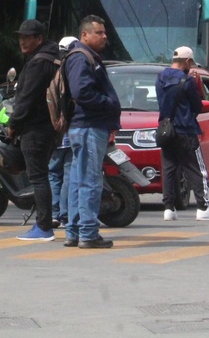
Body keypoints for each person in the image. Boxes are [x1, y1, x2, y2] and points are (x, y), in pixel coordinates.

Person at [63, 16, 121, 249]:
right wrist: (108, 102)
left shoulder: (85, 57)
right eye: (99, 32)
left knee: (79, 179)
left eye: (105, 32)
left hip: (86, 127)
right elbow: (82, 92)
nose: (104, 36)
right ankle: (87, 232)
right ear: (85, 35)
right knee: (89, 181)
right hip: (88, 127)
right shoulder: (81, 57)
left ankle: (75, 231)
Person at [7, 19, 60, 241]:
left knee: (38, 177)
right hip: (48, 127)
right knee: (42, 176)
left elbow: (27, 98)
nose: (22, 41)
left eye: (27, 37)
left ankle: (44, 226)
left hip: (36, 128)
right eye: (20, 37)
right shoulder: (51, 58)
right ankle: (44, 224)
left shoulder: (39, 62)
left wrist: (13, 124)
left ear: (39, 39)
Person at [156, 47, 209, 221]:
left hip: (166, 130)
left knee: (168, 168)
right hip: (186, 130)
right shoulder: (187, 81)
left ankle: (168, 208)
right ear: (188, 62)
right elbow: (198, 106)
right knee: (196, 169)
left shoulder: (159, 78)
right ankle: (203, 207)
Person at [49, 36, 77, 228]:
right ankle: (65, 214)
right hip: (70, 129)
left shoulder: (50, 69)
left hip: (56, 131)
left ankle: (55, 213)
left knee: (53, 173)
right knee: (68, 174)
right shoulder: (73, 69)